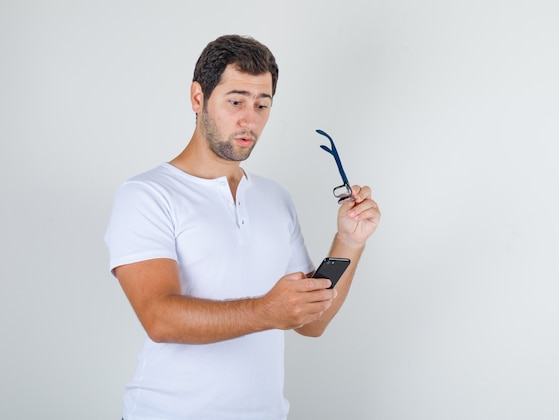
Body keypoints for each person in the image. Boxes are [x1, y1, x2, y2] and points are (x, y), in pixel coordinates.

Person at [105, 34, 380, 419]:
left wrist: (348, 242)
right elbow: (159, 318)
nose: (249, 119)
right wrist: (266, 312)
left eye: (262, 105)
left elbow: (310, 323)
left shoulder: (274, 198)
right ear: (198, 98)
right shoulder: (147, 195)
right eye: (235, 101)